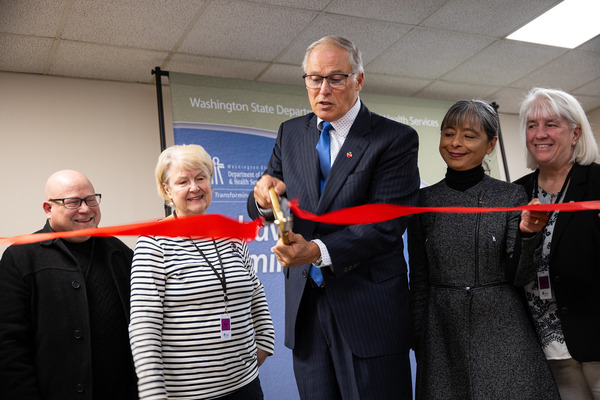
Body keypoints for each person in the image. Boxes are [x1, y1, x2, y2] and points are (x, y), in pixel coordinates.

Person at [247, 35, 419, 399]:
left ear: (358, 80)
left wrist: (316, 251)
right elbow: (267, 201)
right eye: (314, 78)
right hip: (306, 311)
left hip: (368, 312)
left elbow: (386, 225)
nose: (322, 89)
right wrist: (264, 200)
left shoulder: (395, 138)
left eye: (335, 78)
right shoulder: (291, 133)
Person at [408, 100, 560, 399]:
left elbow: (521, 275)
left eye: (469, 135)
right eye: (448, 133)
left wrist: (529, 235)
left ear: (491, 144)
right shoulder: (423, 201)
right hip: (442, 330)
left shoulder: (510, 195)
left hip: (503, 327)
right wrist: (419, 335)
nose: (455, 143)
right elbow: (420, 279)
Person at [129, 144, 275, 400]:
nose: (194, 187)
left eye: (200, 178)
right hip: (189, 393)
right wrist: (152, 392)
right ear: (167, 190)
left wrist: (265, 339)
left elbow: (255, 291)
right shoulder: (153, 242)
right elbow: (144, 325)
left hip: (245, 385)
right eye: (182, 181)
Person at [0, 169, 138, 400]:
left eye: (91, 199)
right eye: (73, 202)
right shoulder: (21, 257)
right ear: (48, 209)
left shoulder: (120, 252)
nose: (85, 209)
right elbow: (8, 345)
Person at [514, 87, 600, 399]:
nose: (540, 134)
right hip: (548, 349)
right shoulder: (515, 194)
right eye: (532, 125)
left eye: (551, 124)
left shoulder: (596, 183)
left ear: (575, 133)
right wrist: (526, 235)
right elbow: (511, 268)